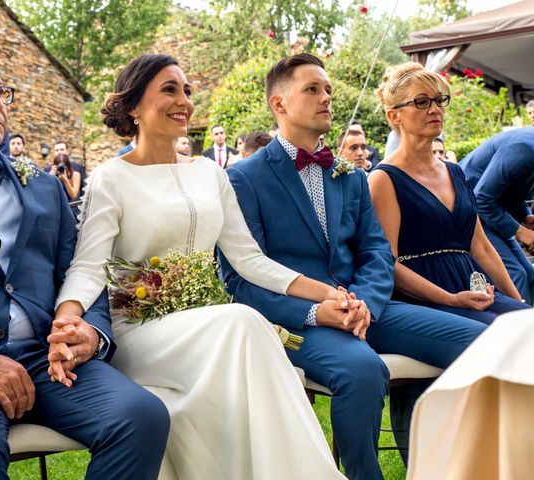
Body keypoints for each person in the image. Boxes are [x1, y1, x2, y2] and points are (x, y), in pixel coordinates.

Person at [53, 53, 346, 480]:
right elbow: (88, 266)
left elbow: (249, 260)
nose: (184, 101)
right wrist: (66, 322)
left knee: (239, 329)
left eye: (187, 90)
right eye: (169, 90)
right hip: (139, 331)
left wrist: (326, 292)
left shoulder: (211, 173)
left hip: (210, 323)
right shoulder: (110, 177)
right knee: (244, 323)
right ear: (133, 106)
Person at [0, 48, 169, 479]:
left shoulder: (44, 186)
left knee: (141, 416)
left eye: (0, 91)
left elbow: (81, 275)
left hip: (47, 360)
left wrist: (89, 333)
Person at [219, 53, 487, 480]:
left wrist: (363, 303)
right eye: (312, 89)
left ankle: (467, 466)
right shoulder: (243, 178)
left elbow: (378, 254)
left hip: (367, 309)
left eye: (328, 89)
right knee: (363, 370)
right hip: (294, 322)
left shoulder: (350, 174)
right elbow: (238, 276)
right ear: (279, 104)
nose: (327, 97)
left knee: (484, 341)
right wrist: (314, 311)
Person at [368, 62, 528, 326]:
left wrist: (519, 303)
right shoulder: (383, 179)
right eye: (421, 102)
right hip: (424, 300)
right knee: (497, 336)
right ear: (394, 116)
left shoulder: (455, 172)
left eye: (439, 100)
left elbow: (483, 248)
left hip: (474, 289)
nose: (434, 109)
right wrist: (450, 298)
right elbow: (389, 264)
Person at [458, 127, 534, 305]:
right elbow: (482, 198)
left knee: (529, 275)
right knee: (515, 274)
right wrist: (521, 233)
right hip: (467, 208)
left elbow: (510, 191)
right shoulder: (524, 148)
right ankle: (518, 329)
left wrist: (526, 216)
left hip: (486, 211)